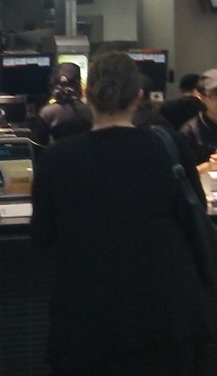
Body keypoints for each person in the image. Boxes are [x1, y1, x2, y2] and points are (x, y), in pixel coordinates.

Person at [31, 51, 208, 376]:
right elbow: (196, 211)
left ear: (88, 95)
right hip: (165, 311)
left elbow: (42, 234)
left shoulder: (58, 158)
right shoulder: (168, 146)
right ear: (139, 95)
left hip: (87, 316)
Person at [34, 61, 92, 143]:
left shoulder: (47, 113)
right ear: (78, 86)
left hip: (57, 151)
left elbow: (40, 143)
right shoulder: (90, 111)